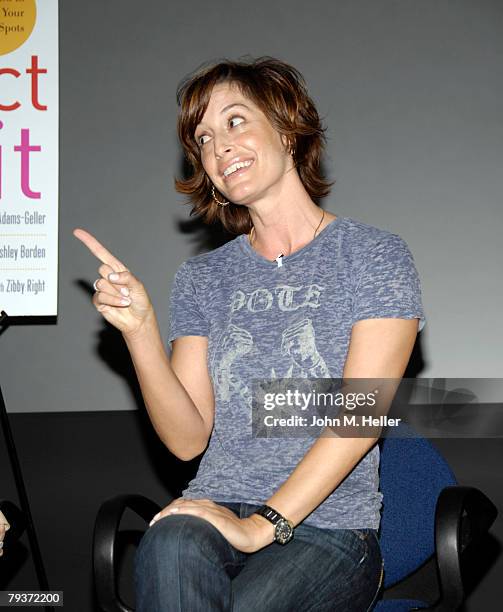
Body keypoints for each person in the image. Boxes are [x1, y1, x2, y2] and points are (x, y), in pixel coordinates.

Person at [74, 56, 426, 611]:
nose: (218, 147)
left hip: (329, 531)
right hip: (216, 508)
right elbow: (188, 439)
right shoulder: (203, 278)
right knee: (166, 542)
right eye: (204, 138)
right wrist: (141, 332)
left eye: (235, 121)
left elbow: (361, 413)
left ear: (287, 129)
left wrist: (265, 524)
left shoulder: (374, 256)